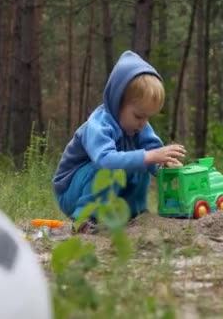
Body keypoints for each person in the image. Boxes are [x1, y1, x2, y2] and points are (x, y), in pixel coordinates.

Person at [52, 50, 186, 233]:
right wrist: (150, 156)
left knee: (143, 163)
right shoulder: (98, 125)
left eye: (147, 117)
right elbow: (105, 160)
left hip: (104, 187)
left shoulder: (140, 126)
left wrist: (163, 165)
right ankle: (85, 218)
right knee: (111, 168)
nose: (143, 123)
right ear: (117, 103)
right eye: (139, 116)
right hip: (71, 192)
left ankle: (135, 212)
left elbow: (152, 152)